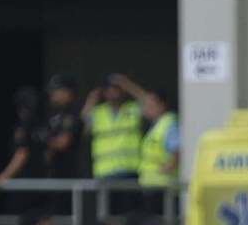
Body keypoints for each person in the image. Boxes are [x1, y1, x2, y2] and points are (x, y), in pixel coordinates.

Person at [84, 74, 145, 213]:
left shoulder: (133, 109)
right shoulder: (98, 112)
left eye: (117, 88)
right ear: (104, 92)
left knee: (132, 216)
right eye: (109, 89)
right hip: (106, 174)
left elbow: (150, 103)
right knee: (109, 219)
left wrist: (128, 84)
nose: (113, 92)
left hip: (130, 172)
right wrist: (91, 99)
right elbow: (84, 126)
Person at [0, 87, 47, 214]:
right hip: (41, 183)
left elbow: (22, 154)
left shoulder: (25, 126)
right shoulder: (43, 124)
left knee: (21, 224)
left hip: (25, 185)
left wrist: (4, 177)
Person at [43, 75, 84, 212]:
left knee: (66, 215)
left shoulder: (72, 112)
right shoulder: (53, 113)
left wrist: (44, 144)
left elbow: (63, 142)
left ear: (68, 92)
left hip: (67, 173)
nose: (53, 93)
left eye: (57, 90)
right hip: (52, 173)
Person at [137, 87, 179, 214]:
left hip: (164, 187)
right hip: (153, 187)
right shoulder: (157, 125)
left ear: (162, 104)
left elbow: (178, 149)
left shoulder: (169, 124)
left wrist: (170, 166)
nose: (146, 107)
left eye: (151, 104)